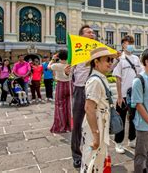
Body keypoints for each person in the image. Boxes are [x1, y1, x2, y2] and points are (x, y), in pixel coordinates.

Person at [80, 47, 118, 173]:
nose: (110, 63)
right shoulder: (95, 81)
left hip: (101, 122)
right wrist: (96, 135)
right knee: (92, 160)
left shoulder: (100, 78)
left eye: (111, 60)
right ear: (96, 62)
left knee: (99, 159)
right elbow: (89, 108)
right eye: (108, 60)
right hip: (96, 124)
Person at [71, 25, 96, 169]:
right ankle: (76, 155)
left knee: (95, 121)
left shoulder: (97, 50)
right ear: (81, 35)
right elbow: (69, 71)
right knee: (78, 124)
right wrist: (68, 71)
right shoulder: (76, 50)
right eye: (89, 32)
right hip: (81, 89)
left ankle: (93, 150)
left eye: (93, 32)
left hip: (94, 88)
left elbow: (107, 67)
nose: (92, 33)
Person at [112, 35, 141, 153]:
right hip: (123, 95)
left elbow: (140, 75)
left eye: (132, 43)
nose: (130, 45)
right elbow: (118, 79)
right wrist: (119, 96)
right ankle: (118, 143)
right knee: (121, 119)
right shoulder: (120, 59)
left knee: (134, 118)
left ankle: (132, 139)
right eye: (128, 43)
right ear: (123, 44)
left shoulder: (136, 58)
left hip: (135, 94)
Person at [48, 50, 73, 133]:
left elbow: (48, 67)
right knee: (69, 106)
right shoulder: (71, 65)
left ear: (59, 57)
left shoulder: (56, 65)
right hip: (70, 85)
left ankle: (62, 126)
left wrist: (52, 59)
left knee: (60, 106)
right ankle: (70, 125)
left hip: (61, 85)